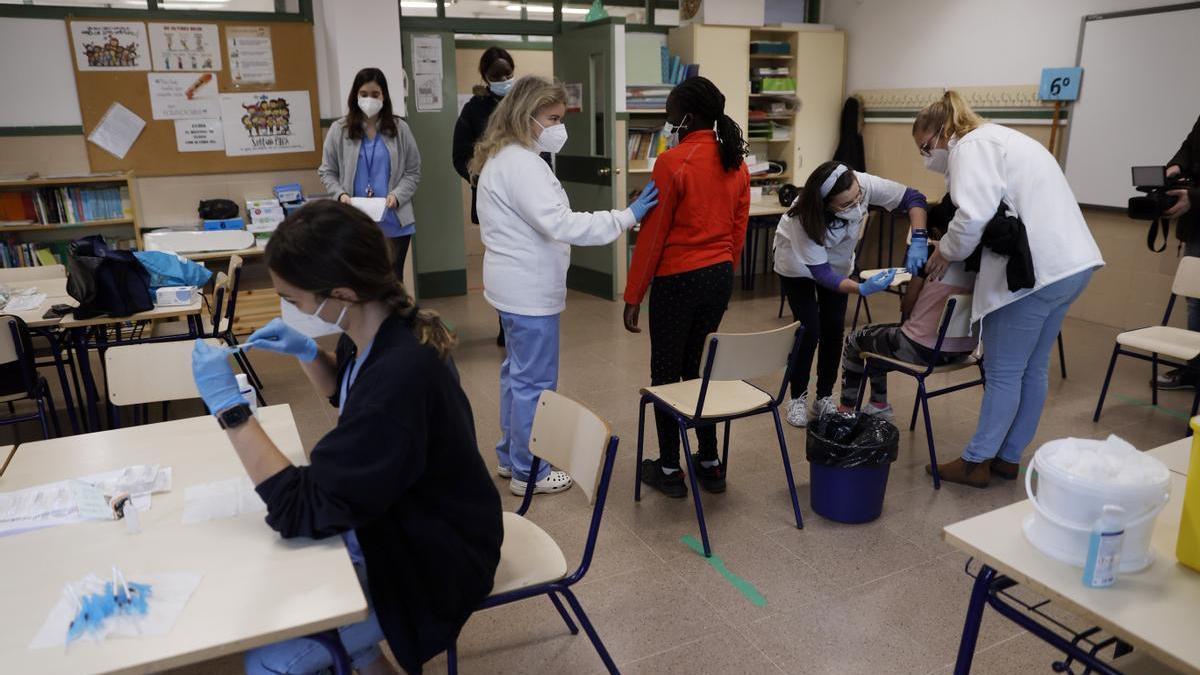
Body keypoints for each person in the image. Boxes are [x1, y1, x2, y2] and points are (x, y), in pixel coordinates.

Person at [190, 200, 502, 674]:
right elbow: (346, 392)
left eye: (294, 301)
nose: (292, 309)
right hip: (417, 515)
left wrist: (230, 410)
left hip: (436, 556)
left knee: (270, 660)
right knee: (271, 585)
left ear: (339, 292)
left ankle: (351, 645)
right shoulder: (378, 324)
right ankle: (359, 651)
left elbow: (299, 509)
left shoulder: (399, 376)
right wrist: (308, 351)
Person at [471, 75, 658, 497]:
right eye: (552, 118)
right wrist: (626, 216)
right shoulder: (521, 163)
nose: (559, 127)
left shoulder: (506, 157)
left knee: (517, 378)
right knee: (534, 384)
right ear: (527, 116)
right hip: (527, 290)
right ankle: (527, 472)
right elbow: (561, 223)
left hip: (513, 286)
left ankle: (510, 458)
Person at [914, 90, 1103, 488]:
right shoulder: (1005, 138)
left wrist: (944, 253)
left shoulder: (970, 145)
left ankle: (975, 462)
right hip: (1072, 266)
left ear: (944, 131)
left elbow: (973, 215)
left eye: (925, 147)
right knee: (1032, 368)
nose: (927, 157)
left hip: (1034, 275)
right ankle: (1008, 457)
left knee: (1004, 372)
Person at [620, 76, 750, 498]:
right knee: (697, 367)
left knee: (666, 371)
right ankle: (710, 461)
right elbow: (737, 230)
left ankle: (671, 467)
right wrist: (723, 270)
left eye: (670, 114)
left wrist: (633, 295)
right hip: (717, 277)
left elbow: (653, 237)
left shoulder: (672, 162)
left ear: (688, 116)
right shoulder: (736, 162)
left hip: (677, 280)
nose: (667, 121)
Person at [773, 160, 929, 428]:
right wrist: (860, 287)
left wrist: (919, 238)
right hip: (797, 265)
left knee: (834, 328)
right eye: (846, 205)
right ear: (825, 205)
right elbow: (822, 274)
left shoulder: (860, 183)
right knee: (809, 329)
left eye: (858, 198)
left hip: (838, 263)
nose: (857, 206)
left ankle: (823, 396)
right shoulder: (801, 217)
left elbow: (914, 198)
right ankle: (797, 397)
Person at [838, 239, 977, 418]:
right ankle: (877, 404)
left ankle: (846, 411)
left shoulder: (931, 253)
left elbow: (907, 305)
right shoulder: (981, 256)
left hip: (922, 349)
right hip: (962, 351)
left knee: (856, 339)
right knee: (878, 340)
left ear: (935, 233)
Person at [319, 67, 421, 287]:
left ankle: (393, 322)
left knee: (393, 282)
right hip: (356, 221)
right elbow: (327, 171)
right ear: (355, 96)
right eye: (363, 94)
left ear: (384, 96)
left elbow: (413, 171)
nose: (369, 99)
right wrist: (341, 195)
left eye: (375, 94)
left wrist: (397, 195)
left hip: (394, 220)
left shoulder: (400, 128)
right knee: (360, 283)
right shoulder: (340, 129)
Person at [453, 46, 520, 348]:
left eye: (507, 74)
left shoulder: (523, 104)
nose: (503, 79)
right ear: (484, 76)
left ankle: (520, 318)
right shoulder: (473, 109)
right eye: (496, 75)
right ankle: (505, 324)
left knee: (522, 261)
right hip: (491, 198)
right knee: (502, 264)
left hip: (523, 196)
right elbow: (459, 156)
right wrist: (479, 176)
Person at [1153, 113, 1200, 390]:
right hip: (1198, 226)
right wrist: (1174, 168)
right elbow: (1189, 146)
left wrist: (1194, 197)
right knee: (1195, 300)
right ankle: (1194, 370)